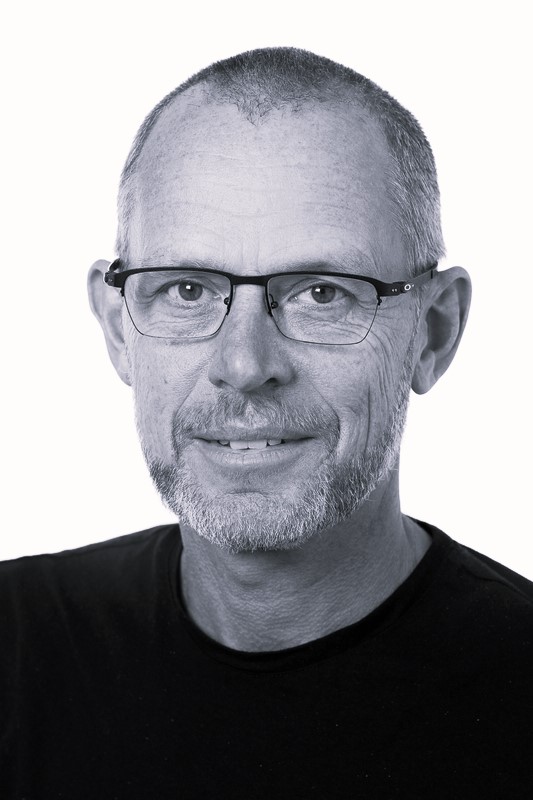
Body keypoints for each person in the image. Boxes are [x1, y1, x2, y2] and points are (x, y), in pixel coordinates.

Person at [1, 47, 532, 799]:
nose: (245, 364)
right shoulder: (16, 644)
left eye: (322, 293)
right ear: (118, 327)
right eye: (187, 290)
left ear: (433, 332)